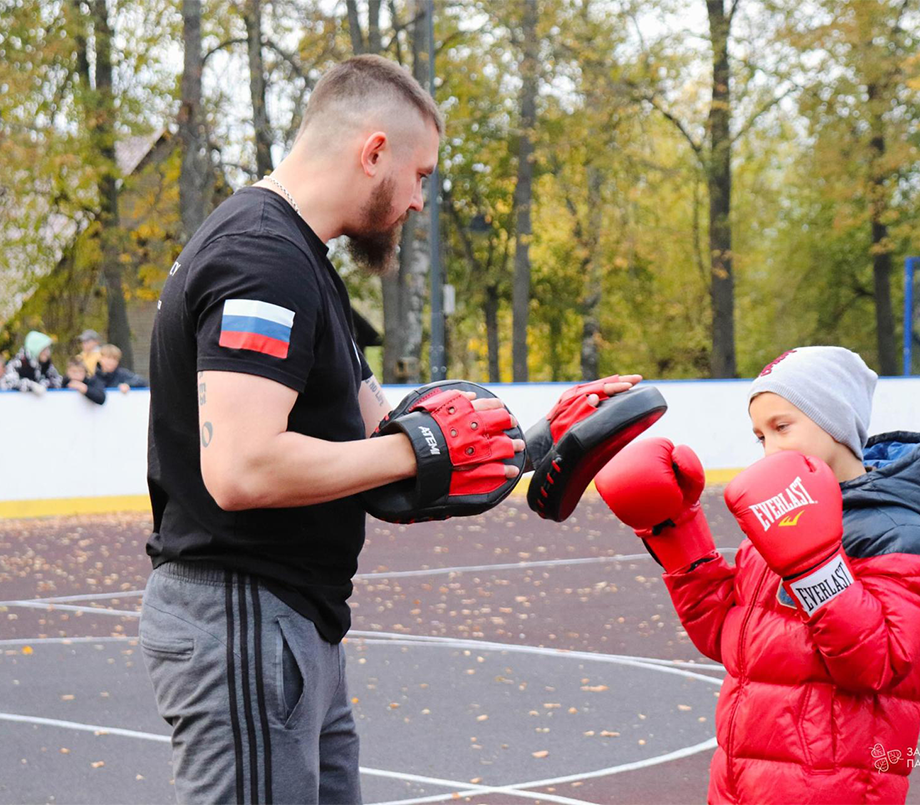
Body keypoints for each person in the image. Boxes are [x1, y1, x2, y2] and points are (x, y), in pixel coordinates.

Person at [141, 54, 640, 805]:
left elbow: (393, 452)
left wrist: (536, 443)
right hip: (244, 617)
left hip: (292, 620)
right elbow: (241, 468)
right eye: (421, 176)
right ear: (373, 152)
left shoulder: (303, 262)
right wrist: (412, 447)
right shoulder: (262, 257)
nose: (417, 201)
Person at [596, 346, 920, 805]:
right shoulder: (781, 511)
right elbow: (728, 637)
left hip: (831, 787)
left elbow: (877, 664)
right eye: (760, 436)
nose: (771, 447)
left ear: (836, 422)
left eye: (783, 427)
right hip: (744, 779)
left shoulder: (896, 529)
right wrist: (675, 532)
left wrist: (815, 568)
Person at [1, 331, 62, 395]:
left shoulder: (47, 365)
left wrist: (44, 385)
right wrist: (31, 386)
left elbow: (58, 381)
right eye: (44, 349)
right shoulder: (19, 363)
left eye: (48, 349)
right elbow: (7, 382)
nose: (48, 353)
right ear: (35, 348)